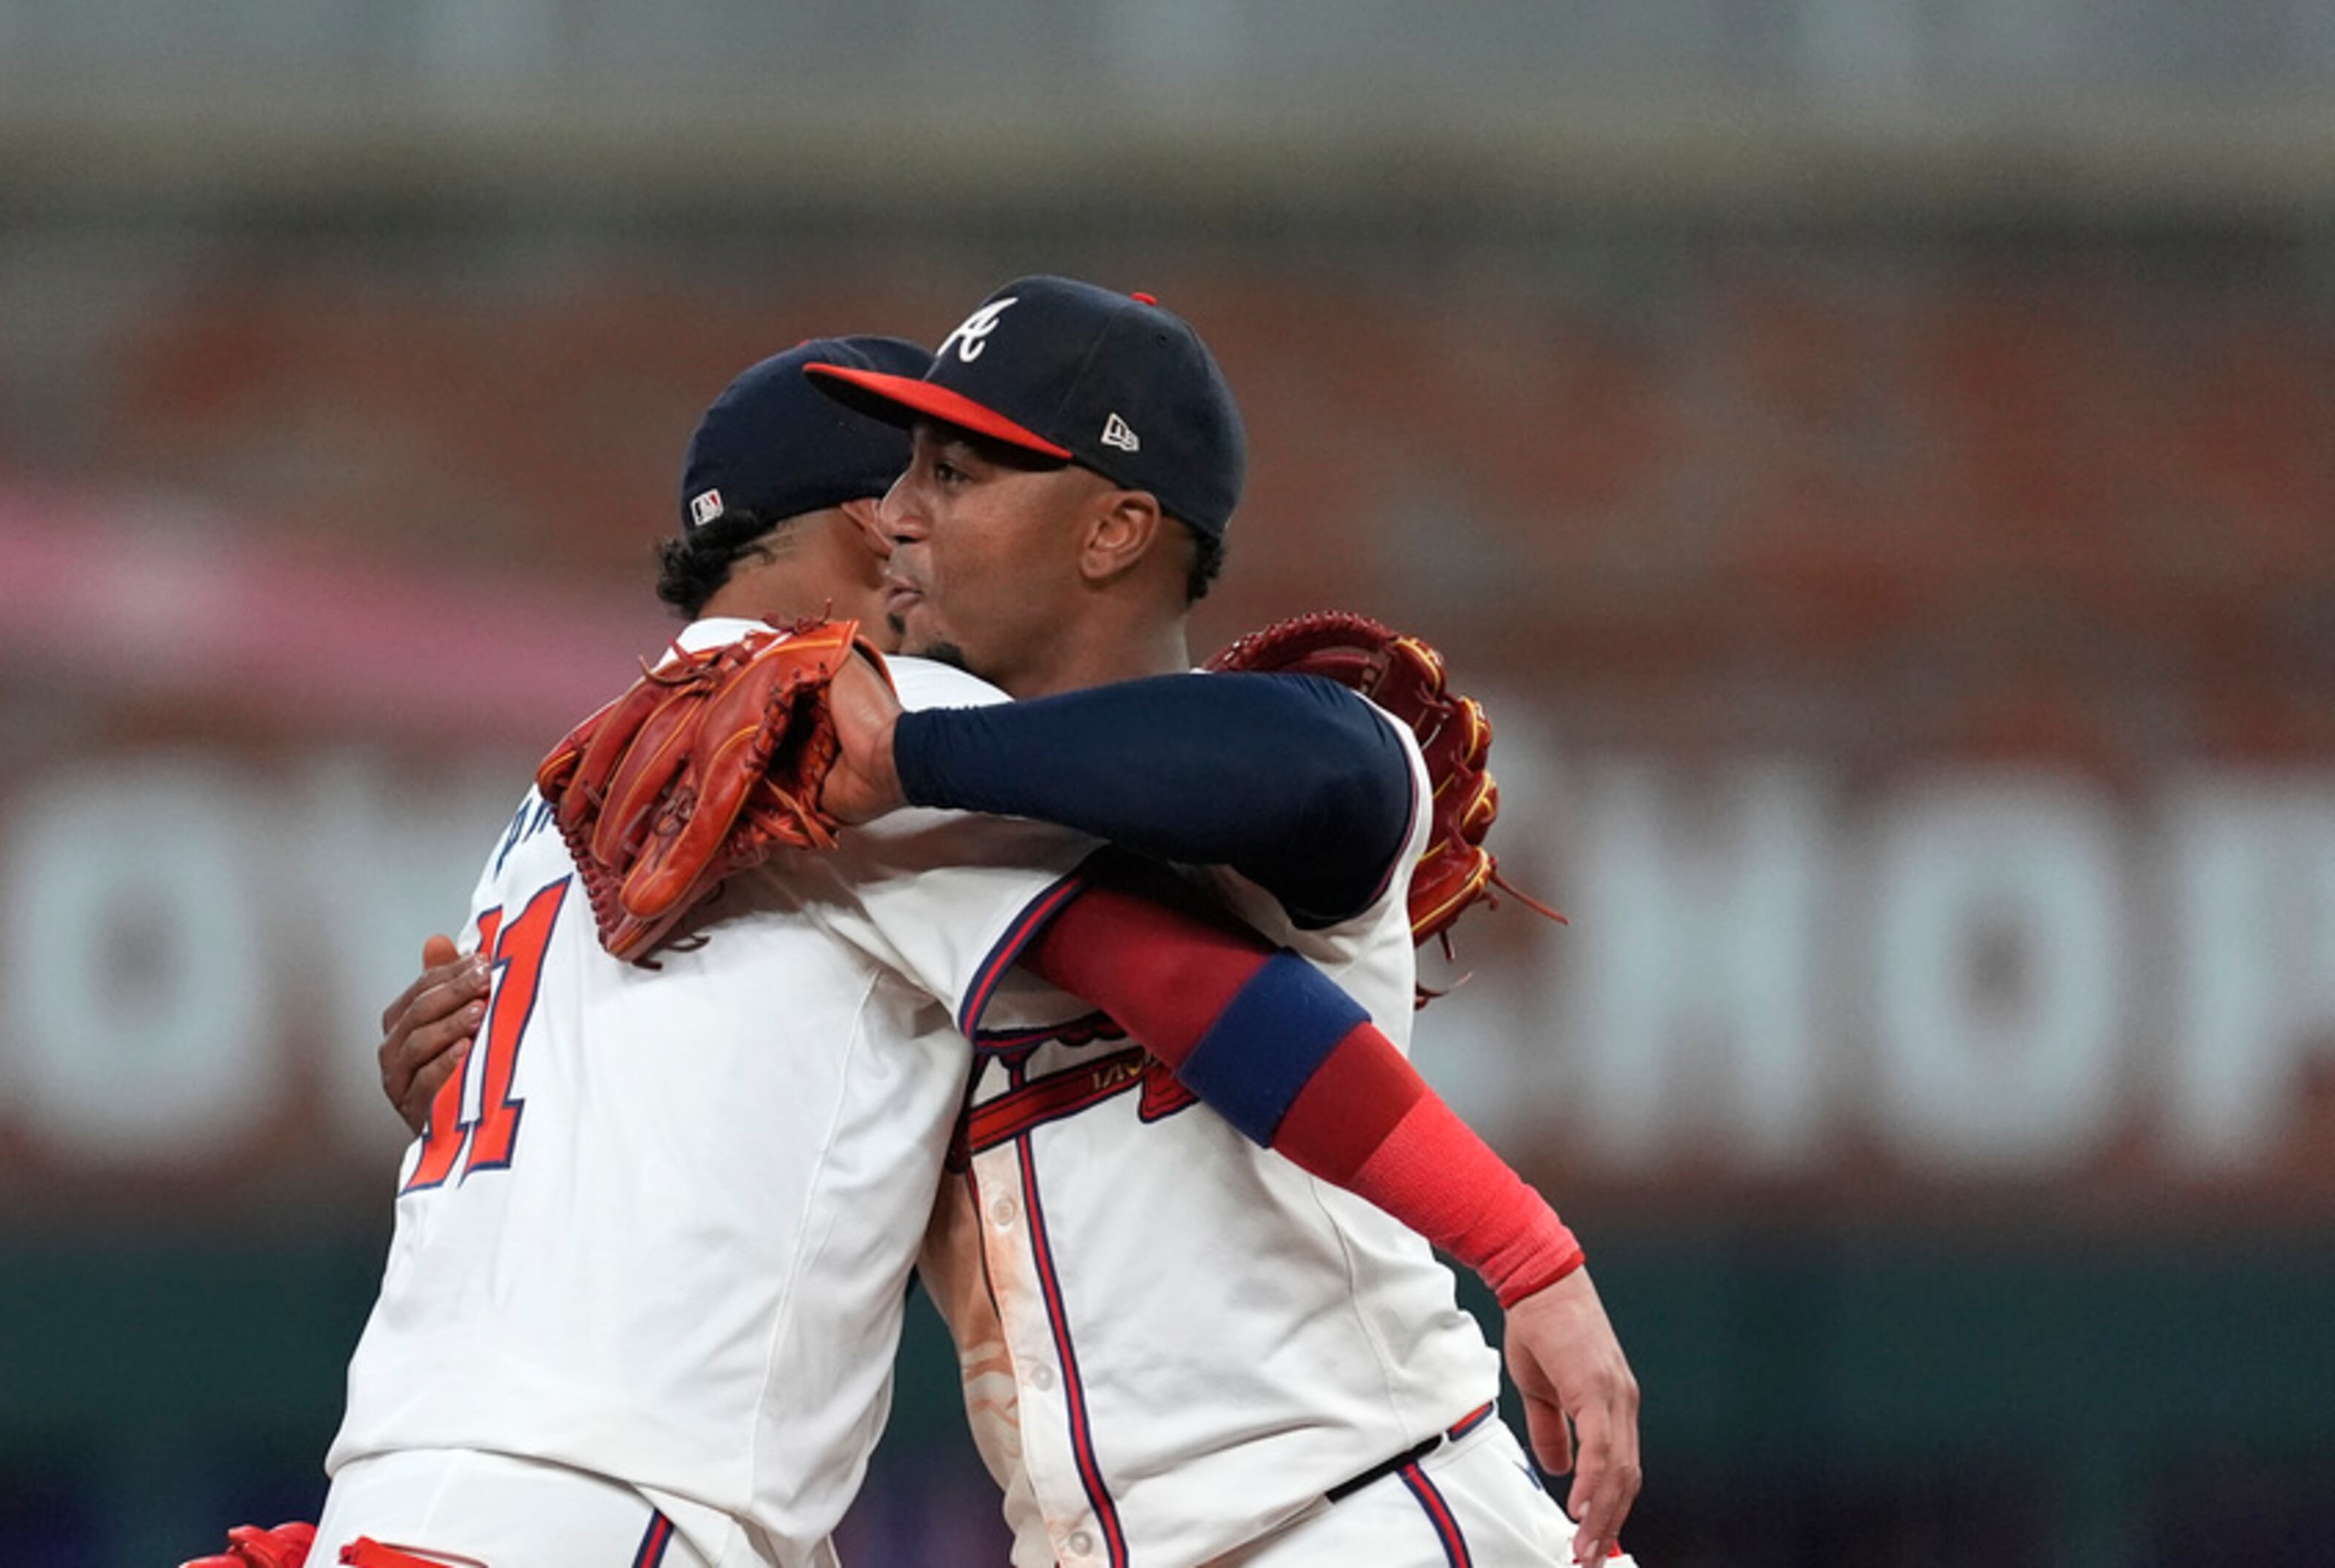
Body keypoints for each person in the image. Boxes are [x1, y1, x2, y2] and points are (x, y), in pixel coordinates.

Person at [369, 283, 1639, 1568]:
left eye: (957, 475)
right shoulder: (881, 835)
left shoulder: (1236, 763)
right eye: (902, 473)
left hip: (1365, 1509)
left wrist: (1530, 1258)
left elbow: (1328, 771)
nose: (901, 517)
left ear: (1116, 530)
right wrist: (515, 1062)